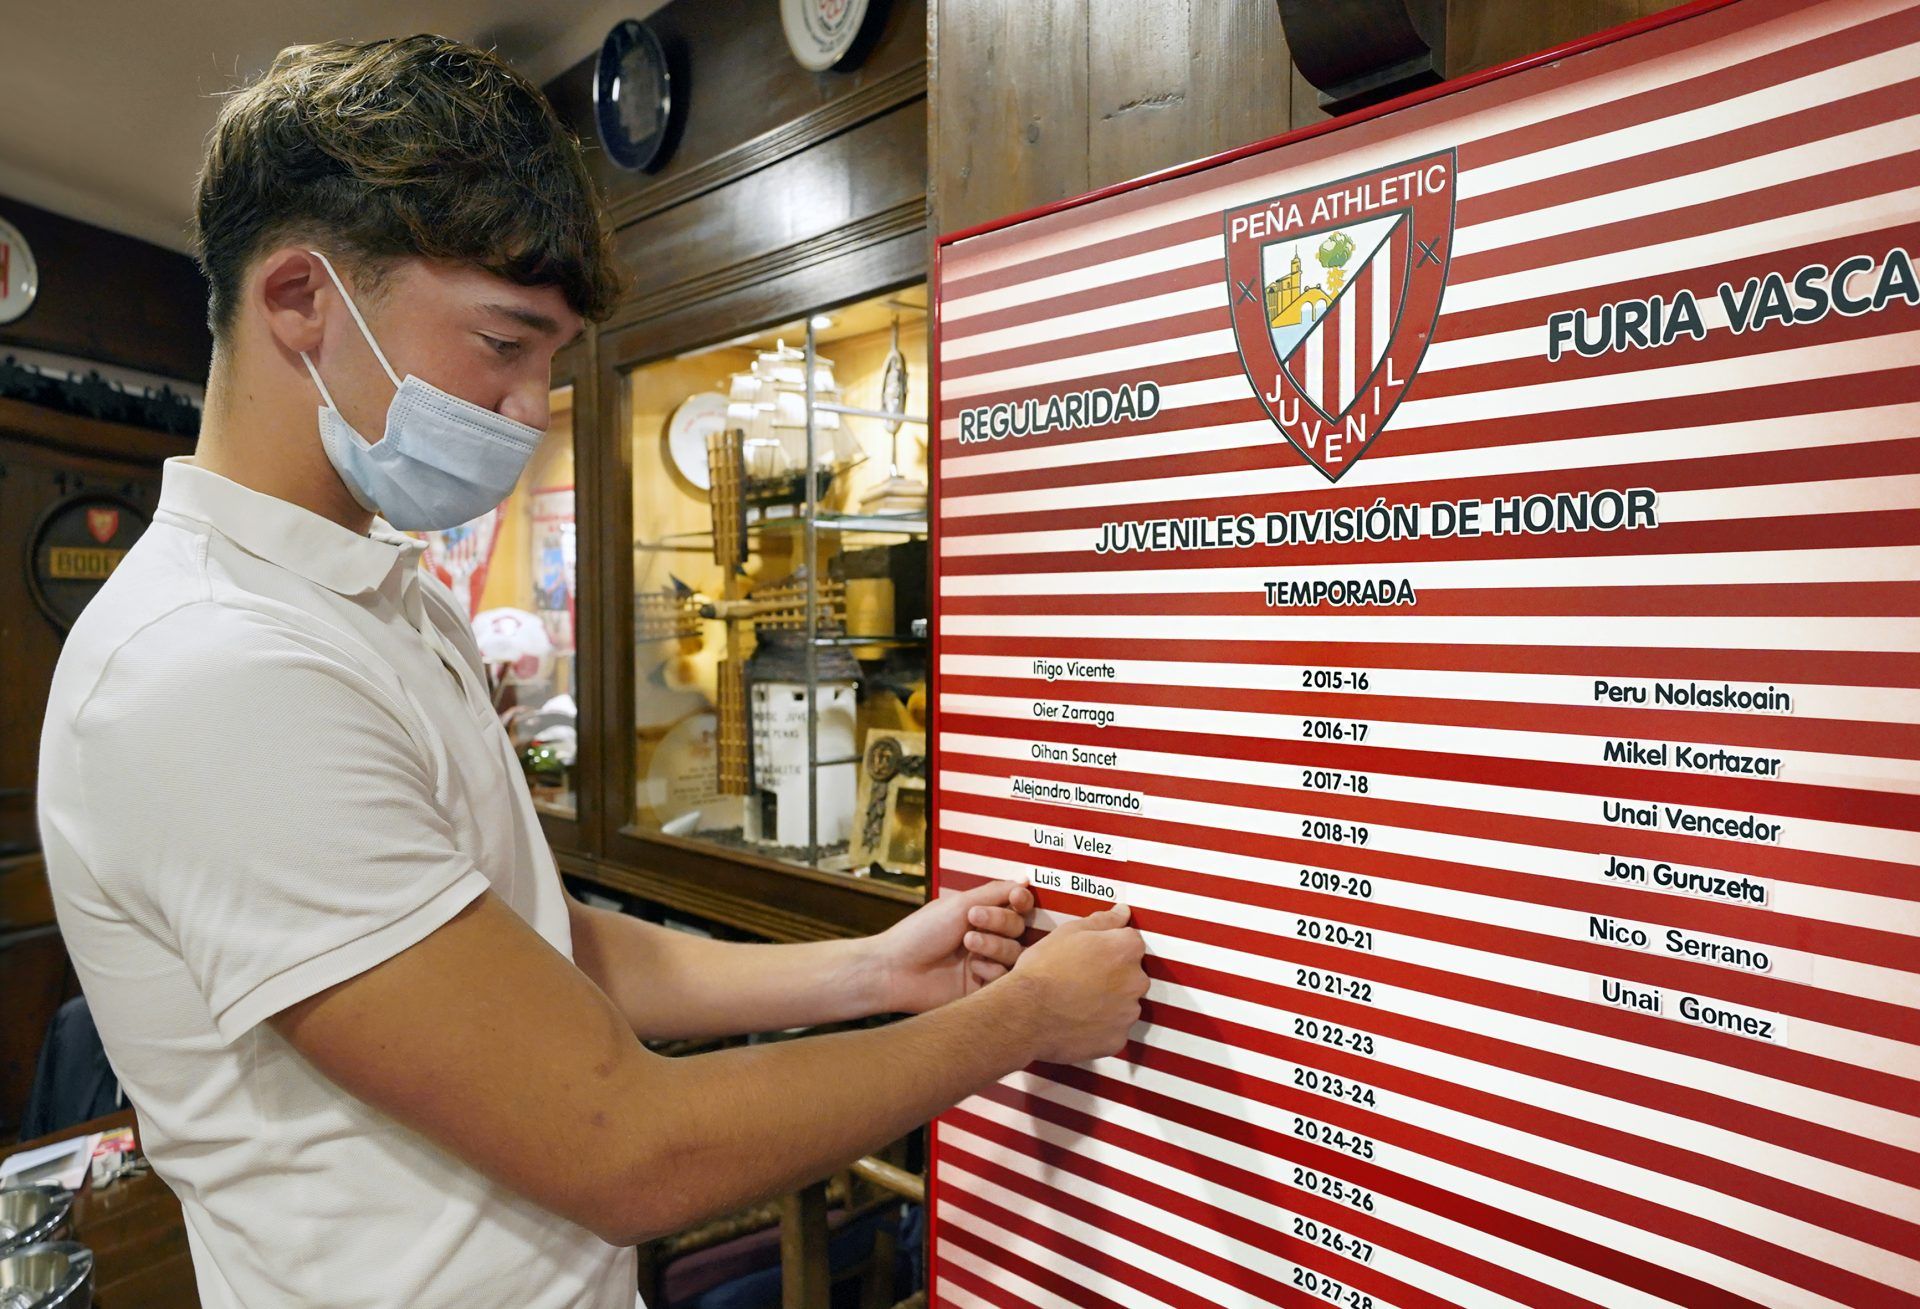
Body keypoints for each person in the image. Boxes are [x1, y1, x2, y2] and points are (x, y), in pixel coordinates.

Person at [35, 35, 1147, 1309]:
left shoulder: (377, 602)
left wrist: (876, 970)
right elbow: (624, 1142)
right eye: (504, 343)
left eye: (551, 359)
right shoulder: (215, 668)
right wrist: (1022, 1023)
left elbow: (531, 949)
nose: (527, 406)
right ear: (300, 299)